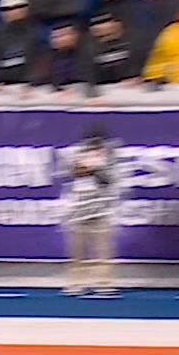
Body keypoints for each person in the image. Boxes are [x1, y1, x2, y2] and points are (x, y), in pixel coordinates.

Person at [61, 122, 117, 297]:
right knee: (76, 249)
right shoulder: (77, 153)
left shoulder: (109, 155)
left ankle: (103, 283)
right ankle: (75, 282)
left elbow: (110, 179)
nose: (92, 145)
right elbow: (71, 174)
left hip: (100, 206)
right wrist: (80, 166)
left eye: (96, 142)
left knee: (102, 248)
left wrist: (95, 168)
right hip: (79, 206)